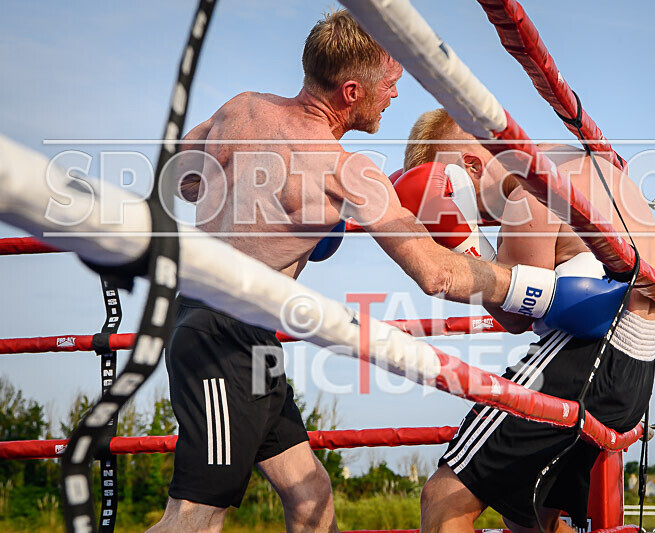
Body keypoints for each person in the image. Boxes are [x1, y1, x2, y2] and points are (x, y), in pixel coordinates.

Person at [150, 12, 542, 533]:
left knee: (310, 493)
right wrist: (531, 288)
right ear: (352, 91)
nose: (395, 95)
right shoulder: (346, 171)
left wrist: (246, 196)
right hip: (222, 343)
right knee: (195, 517)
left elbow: (178, 179)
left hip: (237, 336)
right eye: (391, 83)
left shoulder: (241, 108)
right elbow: (435, 274)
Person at [394, 109, 655, 533]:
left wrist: (464, 241)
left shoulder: (529, 193)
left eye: (448, 189)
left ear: (470, 166)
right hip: (635, 370)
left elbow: (515, 317)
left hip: (580, 360)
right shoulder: (579, 161)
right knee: (530, 520)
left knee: (445, 497)